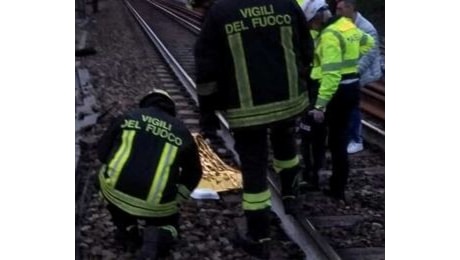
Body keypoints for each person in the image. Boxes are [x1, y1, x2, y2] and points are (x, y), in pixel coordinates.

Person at [194, 0, 314, 257]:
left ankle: (259, 236)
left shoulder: (220, 12)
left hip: (247, 110)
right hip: (289, 101)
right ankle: (291, 196)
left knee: (254, 167)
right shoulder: (286, 5)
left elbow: (206, 69)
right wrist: (301, 84)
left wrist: (208, 114)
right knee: (286, 148)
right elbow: (306, 47)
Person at [96, 89, 203, 260]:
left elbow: (101, 154)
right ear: (171, 110)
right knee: (171, 225)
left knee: (101, 176)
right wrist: (178, 198)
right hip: (156, 206)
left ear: (146, 103)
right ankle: (158, 235)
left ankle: (126, 228)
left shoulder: (129, 116)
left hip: (114, 195)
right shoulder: (182, 132)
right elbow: (195, 172)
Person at [302, 0, 374, 200]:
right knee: (339, 140)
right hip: (352, 87)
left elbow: (331, 77)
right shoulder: (346, 24)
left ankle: (313, 178)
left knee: (317, 134)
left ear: (317, 18)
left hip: (335, 92)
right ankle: (337, 189)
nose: (312, 28)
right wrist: (349, 61)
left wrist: (320, 105)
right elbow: (368, 41)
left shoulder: (329, 36)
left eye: (311, 23)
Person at [335, 0, 383, 154]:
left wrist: (353, 73)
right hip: (346, 73)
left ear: (351, 8)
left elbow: (369, 55)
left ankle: (356, 140)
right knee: (344, 105)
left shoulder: (366, 29)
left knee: (352, 106)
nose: (337, 12)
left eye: (340, 9)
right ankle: (347, 136)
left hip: (360, 74)